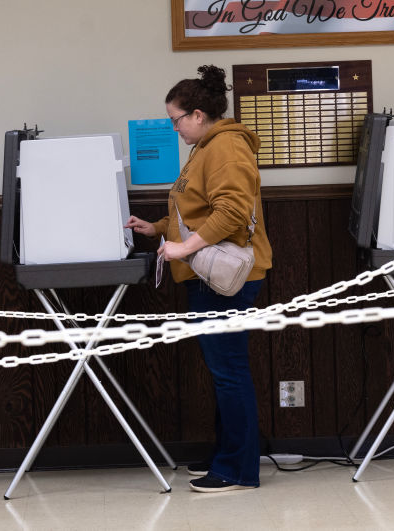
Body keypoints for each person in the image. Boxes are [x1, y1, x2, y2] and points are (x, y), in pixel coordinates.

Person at [125, 64, 272, 493]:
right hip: (207, 274)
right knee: (224, 369)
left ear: (197, 115)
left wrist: (184, 249)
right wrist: (157, 229)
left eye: (175, 119)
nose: (174, 129)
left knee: (229, 371)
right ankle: (227, 455)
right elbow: (196, 210)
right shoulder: (208, 147)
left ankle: (238, 469)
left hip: (225, 278)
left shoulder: (225, 147)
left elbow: (230, 211)